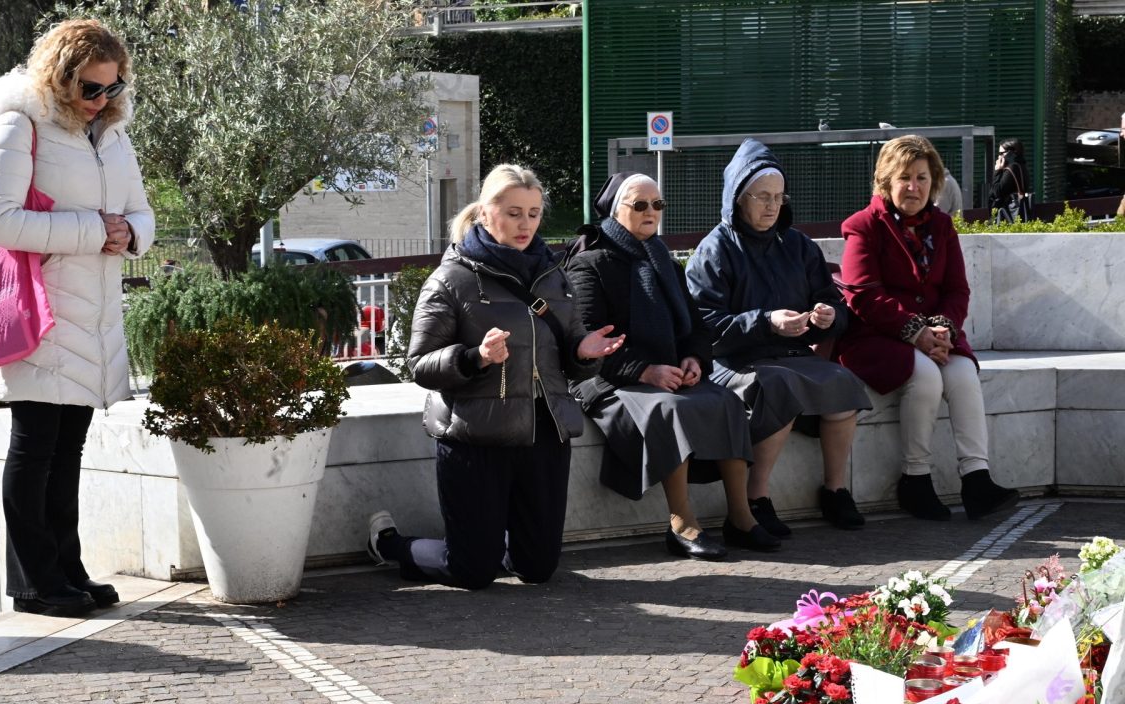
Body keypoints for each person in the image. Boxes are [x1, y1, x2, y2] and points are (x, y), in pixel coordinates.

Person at [366, 164, 624, 590]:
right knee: (472, 572)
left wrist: (584, 352)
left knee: (537, 569)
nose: (526, 224)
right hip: (475, 437)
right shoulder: (451, 279)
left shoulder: (553, 274)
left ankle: (490, 542)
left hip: (545, 432)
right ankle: (391, 545)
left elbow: (570, 345)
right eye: (514, 212)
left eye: (534, 213)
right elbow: (420, 363)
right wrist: (475, 357)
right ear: (485, 213)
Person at [0, 20, 154, 615]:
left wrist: (132, 234)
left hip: (92, 311)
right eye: (91, 89)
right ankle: (35, 582)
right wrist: (90, 231)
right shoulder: (19, 124)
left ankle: (67, 570)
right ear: (60, 78)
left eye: (114, 86)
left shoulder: (113, 133)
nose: (104, 100)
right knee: (36, 445)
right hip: (38, 310)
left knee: (68, 447)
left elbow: (141, 213)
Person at [565, 172, 767, 560]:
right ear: (614, 210)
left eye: (657, 204)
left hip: (667, 373)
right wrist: (645, 370)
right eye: (640, 205)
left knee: (725, 402)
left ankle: (741, 517)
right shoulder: (590, 265)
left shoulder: (665, 262)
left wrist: (693, 358)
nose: (651, 212)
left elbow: (695, 327)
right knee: (669, 408)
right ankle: (682, 522)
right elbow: (589, 340)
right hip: (609, 376)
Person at [685, 139, 872, 540]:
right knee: (779, 386)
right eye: (762, 197)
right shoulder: (714, 250)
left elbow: (834, 303)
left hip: (788, 353)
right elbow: (704, 324)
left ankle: (835, 489)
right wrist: (766, 322)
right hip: (731, 361)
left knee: (841, 381)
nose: (772, 206)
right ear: (738, 198)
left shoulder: (798, 245)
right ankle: (756, 499)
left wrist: (826, 316)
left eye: (778, 197)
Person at [835, 135, 1018, 522]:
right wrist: (916, 331)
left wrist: (943, 329)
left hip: (933, 336)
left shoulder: (941, 225)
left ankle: (977, 479)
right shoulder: (863, 226)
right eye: (904, 178)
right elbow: (863, 296)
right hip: (875, 338)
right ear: (886, 181)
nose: (914, 187)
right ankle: (915, 480)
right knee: (925, 377)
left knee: (964, 372)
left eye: (921, 177)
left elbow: (957, 289)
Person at [989, 138, 1031, 223]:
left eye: (1001, 153)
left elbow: (996, 192)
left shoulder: (1012, 169)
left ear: (1012, 153)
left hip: (1008, 216)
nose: (999, 156)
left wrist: (997, 171)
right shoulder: (1021, 166)